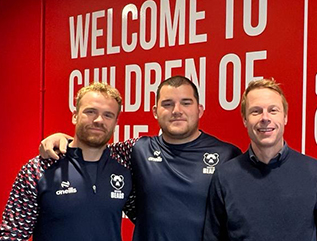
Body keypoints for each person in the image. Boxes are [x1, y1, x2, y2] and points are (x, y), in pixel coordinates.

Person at [39, 76, 241, 241]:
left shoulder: (228, 155)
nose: (177, 110)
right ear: (155, 112)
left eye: (186, 103)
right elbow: (92, 146)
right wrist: (61, 138)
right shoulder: (136, 149)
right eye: (167, 104)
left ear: (199, 110)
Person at [203, 78, 317, 241]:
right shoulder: (224, 177)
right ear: (245, 120)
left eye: (273, 110)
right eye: (255, 111)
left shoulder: (316, 172)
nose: (265, 118)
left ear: (285, 117)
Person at [0, 82, 133, 241]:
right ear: (74, 115)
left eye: (108, 115)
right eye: (90, 112)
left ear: (116, 122)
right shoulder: (38, 169)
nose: (99, 120)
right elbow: (12, 235)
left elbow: (151, 217)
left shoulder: (124, 166)